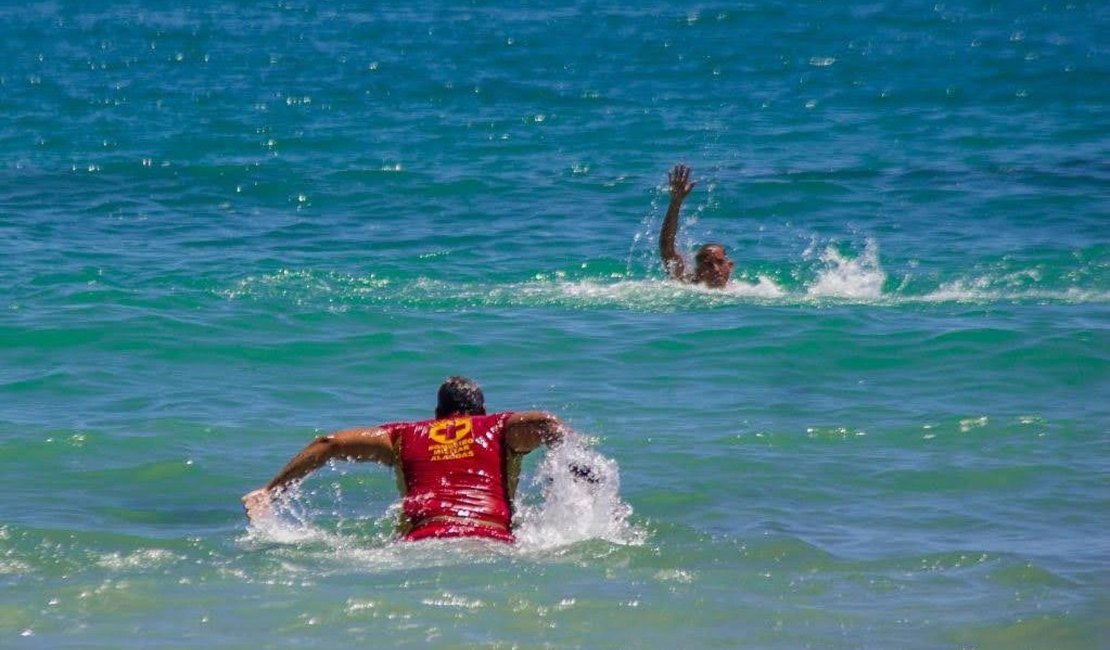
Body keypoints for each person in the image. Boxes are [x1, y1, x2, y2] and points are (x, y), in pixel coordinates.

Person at [241, 376, 567, 543]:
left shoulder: (403, 436)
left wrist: (271, 490)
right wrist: (573, 463)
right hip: (490, 539)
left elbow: (329, 443)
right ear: (481, 412)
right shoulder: (498, 428)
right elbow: (547, 424)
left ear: (437, 414)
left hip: (421, 542)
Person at [658, 163, 735, 288]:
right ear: (698, 272)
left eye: (720, 262)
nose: (716, 269)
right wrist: (676, 202)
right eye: (708, 265)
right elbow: (666, 249)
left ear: (730, 266)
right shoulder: (688, 285)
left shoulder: (741, 290)